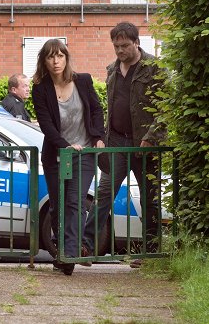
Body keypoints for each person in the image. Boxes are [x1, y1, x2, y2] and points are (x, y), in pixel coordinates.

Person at [83, 22, 167, 268]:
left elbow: (166, 107)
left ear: (136, 42)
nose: (120, 50)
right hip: (117, 142)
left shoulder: (154, 68)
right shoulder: (112, 70)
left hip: (145, 144)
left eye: (125, 45)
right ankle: (86, 245)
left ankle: (149, 251)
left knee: (150, 198)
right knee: (104, 194)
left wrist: (151, 136)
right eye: (116, 45)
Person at [31, 39, 105, 275]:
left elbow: (96, 109)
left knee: (74, 202)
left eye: (60, 56)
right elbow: (46, 124)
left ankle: (69, 255)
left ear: (66, 58)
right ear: (44, 60)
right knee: (57, 206)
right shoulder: (41, 88)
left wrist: (98, 136)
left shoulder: (83, 80)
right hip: (56, 154)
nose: (56, 61)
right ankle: (64, 251)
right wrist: (65, 145)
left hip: (83, 152)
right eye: (50, 57)